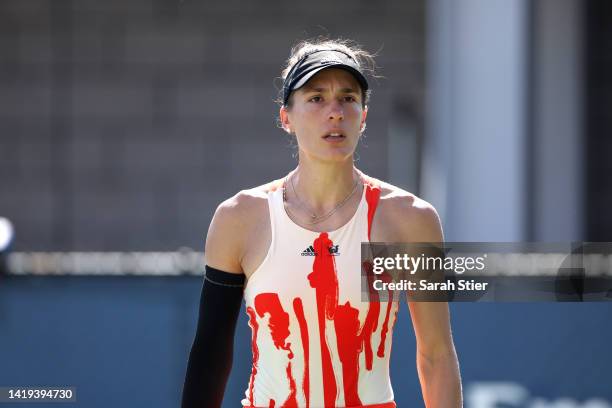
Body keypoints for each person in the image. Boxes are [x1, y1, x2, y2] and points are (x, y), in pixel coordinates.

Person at [181, 38, 462, 408]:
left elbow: (436, 355)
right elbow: (211, 354)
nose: (335, 112)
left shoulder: (410, 219)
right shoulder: (239, 218)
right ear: (286, 117)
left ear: (364, 115)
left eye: (348, 98)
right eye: (316, 98)